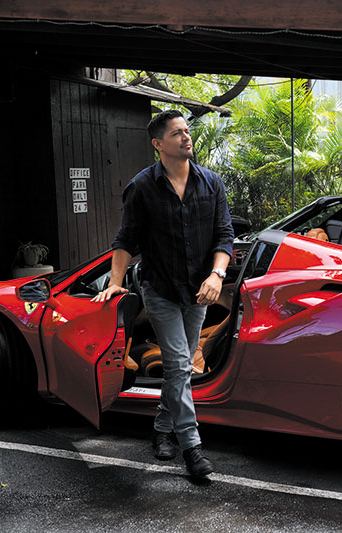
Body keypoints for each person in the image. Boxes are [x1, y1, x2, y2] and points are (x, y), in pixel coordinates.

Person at [92, 109, 234, 479]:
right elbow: (126, 239)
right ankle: (192, 447)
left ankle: (160, 429)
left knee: (180, 367)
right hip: (160, 290)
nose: (186, 137)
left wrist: (217, 275)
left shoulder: (212, 184)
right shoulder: (141, 187)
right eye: (177, 133)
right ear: (158, 144)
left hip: (199, 292)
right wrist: (115, 281)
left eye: (187, 131)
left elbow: (224, 236)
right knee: (178, 365)